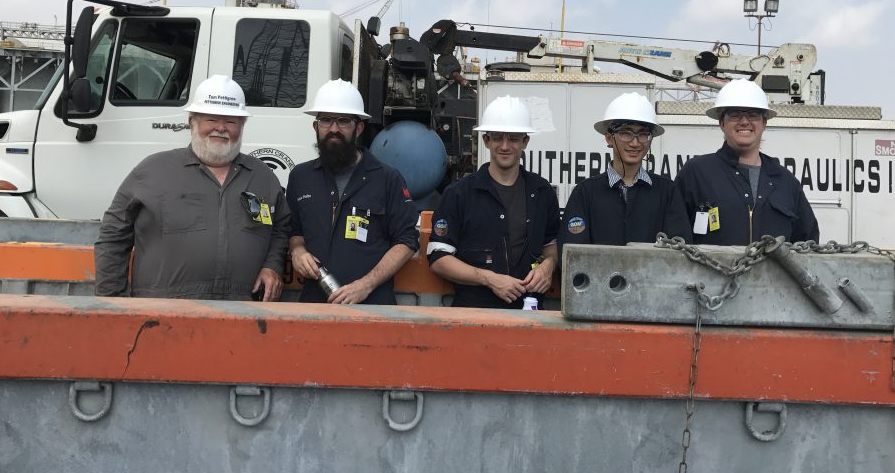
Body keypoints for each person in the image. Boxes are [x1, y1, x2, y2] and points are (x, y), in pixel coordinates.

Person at [95, 75, 290, 300]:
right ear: (192, 123)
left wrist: (272, 265)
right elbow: (113, 236)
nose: (220, 128)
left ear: (242, 126)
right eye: (211, 119)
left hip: (242, 311)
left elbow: (281, 227)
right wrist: (112, 302)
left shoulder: (262, 176)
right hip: (163, 313)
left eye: (231, 121)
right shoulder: (152, 171)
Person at [286, 80, 418, 304]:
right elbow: (294, 229)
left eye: (344, 121)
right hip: (314, 307)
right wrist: (297, 250)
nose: (334, 129)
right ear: (316, 127)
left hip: (371, 308)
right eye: (326, 120)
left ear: (359, 128)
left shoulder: (387, 179)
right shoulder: (300, 177)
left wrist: (365, 285)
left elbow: (407, 241)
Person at [428, 96, 560, 308]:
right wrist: (490, 279)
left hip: (530, 316)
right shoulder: (459, 194)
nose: (505, 146)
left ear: (525, 141)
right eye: (498, 137)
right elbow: (439, 259)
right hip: (474, 319)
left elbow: (550, 245)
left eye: (514, 138)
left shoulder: (542, 192)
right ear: (486, 140)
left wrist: (549, 265)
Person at [674, 79, 819, 246]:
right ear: (722, 123)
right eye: (735, 114)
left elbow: (807, 242)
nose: (744, 121)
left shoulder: (785, 181)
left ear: (764, 123)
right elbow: (676, 236)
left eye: (753, 114)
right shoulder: (697, 173)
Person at [559, 92, 691, 255]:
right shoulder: (585, 193)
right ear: (609, 138)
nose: (635, 142)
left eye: (643, 134)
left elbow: (680, 252)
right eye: (626, 133)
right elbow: (572, 254)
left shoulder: (667, 192)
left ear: (650, 140)